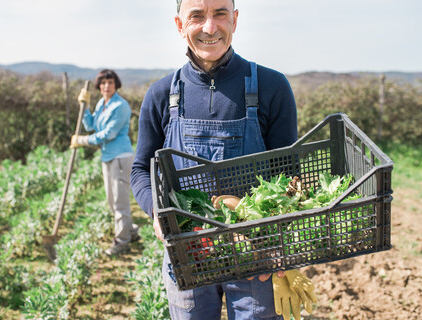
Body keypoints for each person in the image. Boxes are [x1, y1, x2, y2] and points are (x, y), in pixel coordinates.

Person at [131, 0, 317, 319]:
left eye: (220, 13)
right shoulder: (162, 95)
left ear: (235, 19)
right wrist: (156, 211)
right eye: (196, 16)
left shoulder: (272, 87)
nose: (209, 27)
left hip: (256, 252)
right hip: (187, 250)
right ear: (179, 25)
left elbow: (288, 176)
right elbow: (140, 170)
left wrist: (286, 249)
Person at [71, 69, 139, 256]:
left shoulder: (120, 106)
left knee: (120, 203)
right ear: (98, 86)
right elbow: (91, 125)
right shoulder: (102, 103)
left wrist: (82, 140)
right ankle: (131, 231)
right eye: (103, 83)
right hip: (107, 157)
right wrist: (84, 107)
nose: (106, 86)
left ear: (116, 84)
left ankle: (122, 242)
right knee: (112, 201)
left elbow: (108, 134)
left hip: (120, 157)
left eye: (110, 82)